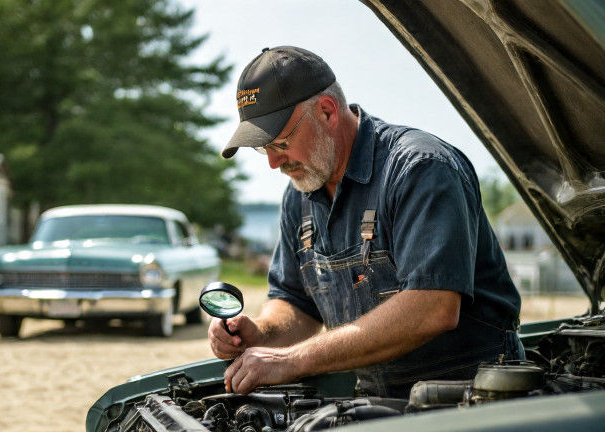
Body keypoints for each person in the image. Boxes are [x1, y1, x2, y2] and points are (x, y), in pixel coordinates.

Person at [209, 46, 524, 398]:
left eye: (281, 142)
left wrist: (291, 360)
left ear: (327, 112)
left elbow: (432, 307)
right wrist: (262, 333)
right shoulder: (299, 196)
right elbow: (296, 303)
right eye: (263, 148)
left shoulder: (420, 169)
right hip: (377, 399)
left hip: (476, 393)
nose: (273, 163)